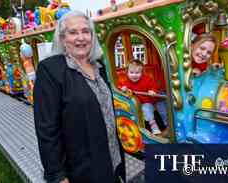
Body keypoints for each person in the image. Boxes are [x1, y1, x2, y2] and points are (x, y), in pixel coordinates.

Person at [33, 11, 125, 183]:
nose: (81, 37)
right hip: (81, 170)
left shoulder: (99, 66)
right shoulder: (51, 69)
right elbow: (47, 128)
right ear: (62, 39)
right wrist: (58, 175)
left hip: (112, 160)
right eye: (73, 32)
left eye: (85, 31)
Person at [117, 59, 167, 135]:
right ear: (127, 72)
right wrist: (123, 89)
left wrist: (152, 91)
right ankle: (154, 126)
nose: (134, 75)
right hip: (143, 103)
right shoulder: (125, 82)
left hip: (151, 99)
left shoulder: (147, 79)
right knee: (146, 108)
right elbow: (119, 88)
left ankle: (167, 124)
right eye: (131, 72)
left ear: (142, 72)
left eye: (137, 73)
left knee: (162, 105)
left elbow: (154, 87)